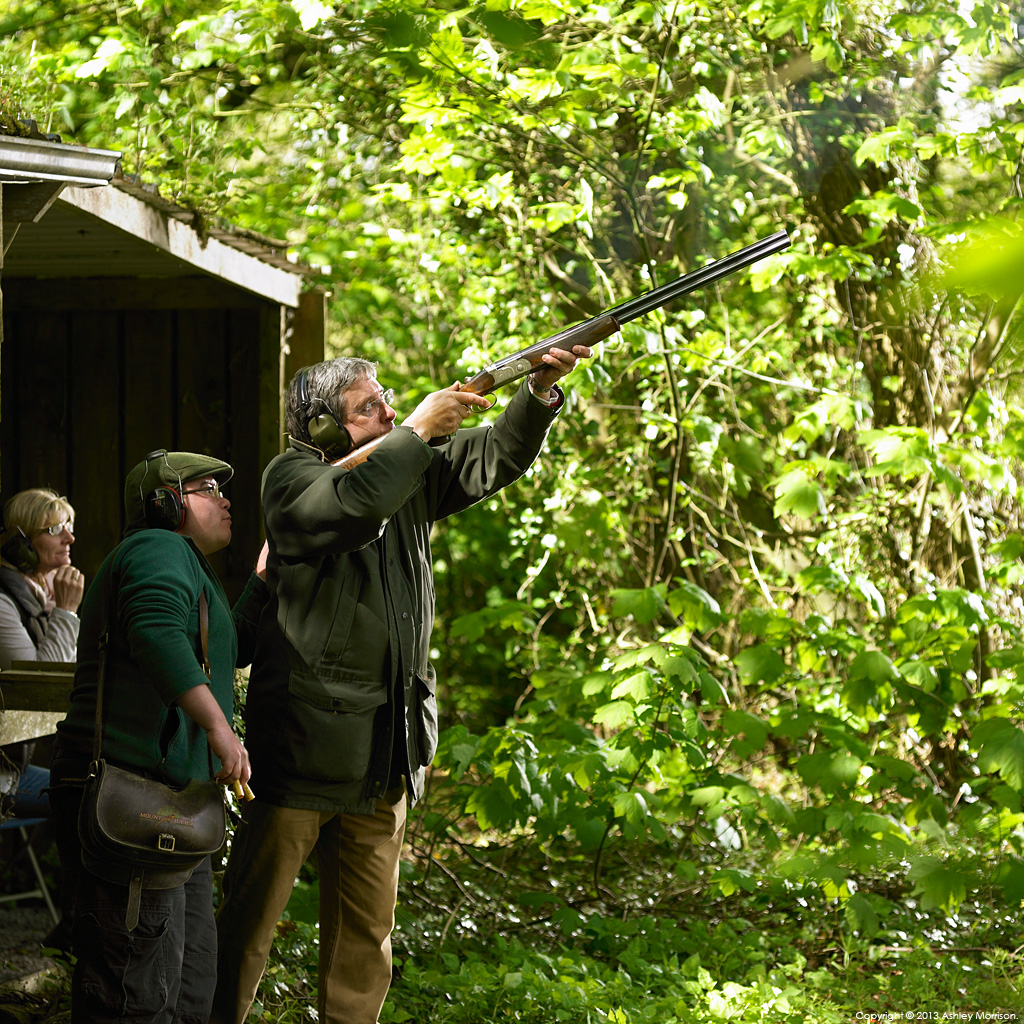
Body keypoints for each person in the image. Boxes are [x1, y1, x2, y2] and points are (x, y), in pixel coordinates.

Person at [212, 346, 592, 1024]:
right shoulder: (292, 478)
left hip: (387, 751)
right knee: (247, 933)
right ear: (326, 429)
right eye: (369, 408)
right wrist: (415, 431)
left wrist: (535, 394)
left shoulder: (407, 465)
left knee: (365, 945)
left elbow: (493, 456)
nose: (389, 411)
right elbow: (352, 504)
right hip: (302, 749)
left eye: (387, 401)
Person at [48, 450, 265, 1024]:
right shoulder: (157, 548)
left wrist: (264, 583)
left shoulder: (187, 565)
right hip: (132, 798)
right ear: (165, 502)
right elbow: (154, 631)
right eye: (208, 488)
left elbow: (226, 650)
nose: (225, 498)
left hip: (168, 808)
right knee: (133, 992)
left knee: (189, 981)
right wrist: (222, 732)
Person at [0, 488, 84, 819]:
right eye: (54, 530)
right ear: (19, 544)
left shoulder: (34, 602)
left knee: (93, 790)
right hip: (3, 778)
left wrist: (52, 612)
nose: (70, 538)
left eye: (68, 526)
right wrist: (64, 611)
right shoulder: (4, 603)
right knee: (85, 802)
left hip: (13, 770)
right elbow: (42, 690)